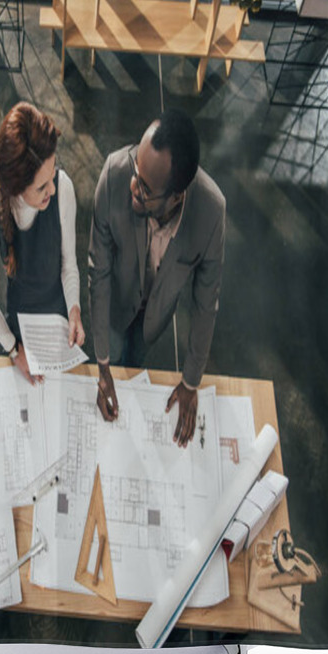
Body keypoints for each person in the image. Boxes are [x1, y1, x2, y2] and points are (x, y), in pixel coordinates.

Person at [88, 109, 226, 447]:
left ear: (177, 196)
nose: (133, 186)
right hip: (116, 301)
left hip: (156, 316)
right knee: (118, 353)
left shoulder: (210, 213)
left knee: (136, 356)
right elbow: (99, 271)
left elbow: (206, 304)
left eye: (146, 189)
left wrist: (191, 382)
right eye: (136, 169)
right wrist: (102, 363)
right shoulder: (114, 173)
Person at [0, 102, 84, 384]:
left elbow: (69, 265)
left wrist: (74, 309)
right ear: (15, 188)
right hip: (20, 327)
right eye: (41, 187)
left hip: (58, 320)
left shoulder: (64, 189)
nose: (52, 189)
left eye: (52, 176)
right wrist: (14, 350)